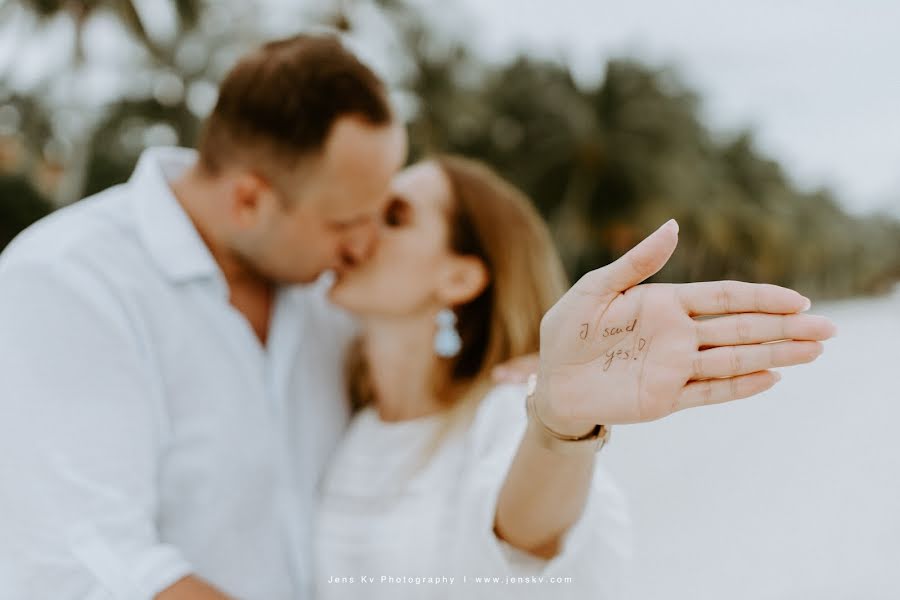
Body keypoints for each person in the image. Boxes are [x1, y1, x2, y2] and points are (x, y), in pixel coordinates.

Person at [314, 156, 838, 599]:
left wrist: (560, 423)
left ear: (460, 277)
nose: (358, 228)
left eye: (395, 216)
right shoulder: (333, 411)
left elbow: (528, 541)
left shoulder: (503, 412)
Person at [0, 33, 406, 599]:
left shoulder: (334, 295)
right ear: (248, 201)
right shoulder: (66, 282)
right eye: (344, 223)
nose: (365, 245)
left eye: (381, 212)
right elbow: (89, 561)